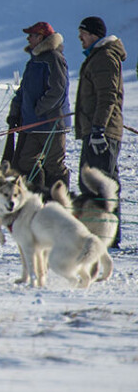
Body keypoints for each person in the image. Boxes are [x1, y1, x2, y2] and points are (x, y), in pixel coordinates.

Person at [74, 16, 126, 248]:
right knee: (98, 183)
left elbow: (108, 96)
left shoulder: (104, 57)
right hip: (97, 130)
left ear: (94, 34)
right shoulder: (98, 57)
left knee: (98, 184)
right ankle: (106, 235)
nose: (79, 38)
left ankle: (106, 237)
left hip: (101, 132)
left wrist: (98, 129)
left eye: (82, 33)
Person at [6, 21, 70, 188]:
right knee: (25, 162)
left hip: (51, 123)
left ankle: (59, 202)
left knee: (54, 165)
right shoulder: (33, 61)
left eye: (32, 35)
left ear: (41, 37)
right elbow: (23, 90)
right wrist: (15, 111)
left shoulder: (54, 58)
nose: (28, 38)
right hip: (33, 124)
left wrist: (38, 110)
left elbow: (58, 90)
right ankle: (37, 195)